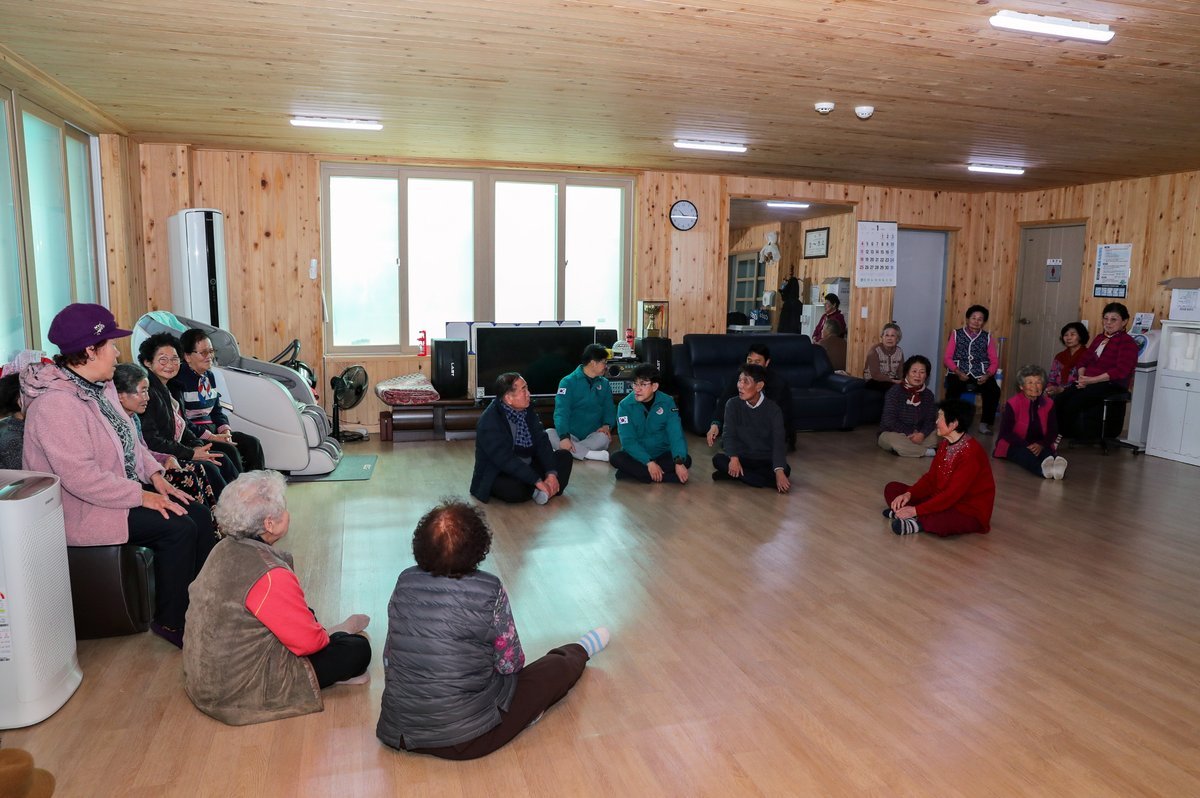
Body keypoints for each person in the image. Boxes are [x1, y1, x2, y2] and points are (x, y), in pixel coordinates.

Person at [21, 303, 216, 647]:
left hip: (116, 494)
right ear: (89, 351)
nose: (116, 352)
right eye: (110, 344)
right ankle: (172, 623)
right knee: (179, 528)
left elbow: (133, 442)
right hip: (85, 510)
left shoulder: (100, 388)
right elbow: (81, 478)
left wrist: (155, 476)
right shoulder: (55, 405)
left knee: (198, 515)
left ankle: (201, 606)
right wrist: (142, 496)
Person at [377, 501, 610, 760]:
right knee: (548, 672)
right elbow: (511, 664)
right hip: (465, 739)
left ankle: (522, 713)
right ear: (479, 549)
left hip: (398, 731)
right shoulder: (490, 590)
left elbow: (390, 657)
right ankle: (580, 650)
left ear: (419, 546)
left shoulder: (404, 581)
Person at [184, 470, 372, 725]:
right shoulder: (269, 573)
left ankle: (333, 633)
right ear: (269, 524)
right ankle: (338, 635)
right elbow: (309, 645)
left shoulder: (222, 548)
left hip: (204, 680)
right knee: (357, 650)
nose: (288, 512)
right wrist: (332, 638)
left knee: (305, 613)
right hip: (238, 691)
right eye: (283, 508)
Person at [882, 399, 995, 536]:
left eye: (940, 417)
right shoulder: (945, 444)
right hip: (940, 498)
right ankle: (910, 515)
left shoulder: (971, 454)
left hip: (966, 509)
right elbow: (931, 479)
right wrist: (909, 494)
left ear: (953, 424)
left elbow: (951, 496)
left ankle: (913, 518)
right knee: (892, 488)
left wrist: (915, 510)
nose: (936, 422)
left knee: (940, 521)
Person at [137, 333, 234, 492]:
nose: (170, 365)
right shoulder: (149, 394)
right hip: (159, 457)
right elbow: (152, 441)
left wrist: (197, 446)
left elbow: (182, 426)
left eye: (175, 359)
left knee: (223, 458)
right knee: (212, 466)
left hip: (178, 448)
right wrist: (191, 453)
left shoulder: (171, 388)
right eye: (163, 360)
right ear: (148, 362)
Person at [114, 363, 218, 507]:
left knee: (200, 469)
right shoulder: (116, 423)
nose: (147, 397)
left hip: (153, 464)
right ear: (120, 395)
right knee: (188, 478)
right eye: (142, 392)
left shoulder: (134, 418)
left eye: (147, 391)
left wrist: (168, 458)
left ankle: (213, 517)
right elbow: (147, 449)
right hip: (135, 481)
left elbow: (144, 451)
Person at [470, 372, 573, 504]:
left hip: (528, 464)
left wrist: (551, 473)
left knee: (564, 457)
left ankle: (543, 489)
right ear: (508, 398)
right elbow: (505, 460)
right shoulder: (489, 421)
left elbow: (542, 442)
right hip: (500, 470)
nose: (528, 394)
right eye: (523, 390)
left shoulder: (527, 410)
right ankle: (541, 489)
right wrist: (537, 480)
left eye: (527, 388)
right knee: (512, 489)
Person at [172, 328, 266, 472]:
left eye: (211, 351)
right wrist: (212, 437)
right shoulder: (178, 380)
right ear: (187, 356)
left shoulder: (209, 376)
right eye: (203, 352)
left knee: (253, 443)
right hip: (194, 436)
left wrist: (225, 432)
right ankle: (240, 485)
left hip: (213, 430)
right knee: (230, 451)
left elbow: (216, 411)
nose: (209, 356)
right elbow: (182, 421)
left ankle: (257, 483)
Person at [1054, 303, 1138, 440]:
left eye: (1113, 319)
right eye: (1105, 318)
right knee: (1060, 399)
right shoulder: (1100, 338)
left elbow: (1121, 371)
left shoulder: (1127, 342)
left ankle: (1061, 437)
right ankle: (1056, 436)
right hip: (1089, 382)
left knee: (1073, 402)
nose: (1108, 323)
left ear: (1124, 321)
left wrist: (1091, 380)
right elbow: (1083, 361)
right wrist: (1082, 378)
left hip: (1112, 384)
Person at [712, 363, 791, 493]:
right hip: (742, 457)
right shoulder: (732, 404)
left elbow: (778, 443)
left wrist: (779, 471)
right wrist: (734, 458)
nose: (740, 385)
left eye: (746, 382)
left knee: (785, 470)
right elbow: (728, 435)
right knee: (718, 460)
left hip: (764, 459)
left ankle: (737, 476)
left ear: (759, 386)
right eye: (739, 380)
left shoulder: (773, 410)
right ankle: (754, 479)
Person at [610, 363, 691, 484]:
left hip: (662, 453)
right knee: (616, 458)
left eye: (643, 384)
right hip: (637, 456)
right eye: (635, 384)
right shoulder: (624, 406)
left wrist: (679, 462)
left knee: (686, 460)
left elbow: (676, 434)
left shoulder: (667, 402)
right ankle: (662, 476)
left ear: (654, 386)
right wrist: (649, 462)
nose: (637, 389)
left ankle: (640, 475)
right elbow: (628, 441)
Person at [706, 343, 794, 450]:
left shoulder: (778, 384)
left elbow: (780, 419)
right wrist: (715, 424)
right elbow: (724, 401)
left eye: (757, 362)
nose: (752, 365)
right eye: (749, 361)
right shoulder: (740, 378)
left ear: (767, 362)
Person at [994, 365, 1066, 479]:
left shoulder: (1049, 403)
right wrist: (1027, 445)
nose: (1035, 386)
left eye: (1038, 382)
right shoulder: (1013, 403)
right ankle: (1042, 471)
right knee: (1025, 455)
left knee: (1047, 454)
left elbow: (1053, 431)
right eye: (1030, 382)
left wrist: (1041, 444)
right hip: (1016, 443)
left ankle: (1056, 470)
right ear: (1021, 386)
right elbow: (1006, 433)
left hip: (1039, 443)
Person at [546, 343, 616, 462]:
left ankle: (566, 451)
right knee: (548, 434)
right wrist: (564, 437)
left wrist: (606, 425)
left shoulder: (604, 384)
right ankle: (590, 454)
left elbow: (609, 408)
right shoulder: (567, 382)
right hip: (570, 434)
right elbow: (561, 412)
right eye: (604, 363)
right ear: (593, 363)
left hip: (593, 435)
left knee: (604, 438)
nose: (606, 367)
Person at [942, 304, 1001, 434]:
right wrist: (958, 372)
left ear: (983, 322)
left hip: (981, 374)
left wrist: (987, 375)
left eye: (980, 319)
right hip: (958, 372)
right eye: (973, 318)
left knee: (994, 391)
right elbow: (947, 358)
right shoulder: (956, 334)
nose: (976, 321)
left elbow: (994, 361)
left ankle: (985, 423)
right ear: (968, 319)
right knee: (952, 391)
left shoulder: (987, 337)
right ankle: (951, 421)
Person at [877, 355, 939, 457]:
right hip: (894, 433)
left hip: (920, 435)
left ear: (926, 375)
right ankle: (930, 452)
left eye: (922, 372)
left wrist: (922, 434)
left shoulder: (928, 395)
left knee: (940, 436)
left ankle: (909, 450)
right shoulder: (894, 392)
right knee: (894, 440)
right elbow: (889, 420)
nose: (918, 375)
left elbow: (930, 420)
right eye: (914, 371)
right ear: (907, 373)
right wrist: (911, 432)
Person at [1046, 321, 1090, 397]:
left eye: (1072, 334)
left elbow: (1086, 381)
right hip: (1057, 392)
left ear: (1081, 336)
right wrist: (1051, 388)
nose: (1068, 338)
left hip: (1078, 393)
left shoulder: (1088, 355)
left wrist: (1062, 390)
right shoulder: (1059, 356)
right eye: (1065, 335)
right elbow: (1052, 378)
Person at [864, 322, 905, 392]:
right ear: (882, 337)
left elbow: (901, 372)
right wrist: (893, 381)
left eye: (892, 336)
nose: (889, 338)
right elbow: (875, 374)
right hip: (873, 380)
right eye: (886, 335)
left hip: (892, 380)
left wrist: (903, 381)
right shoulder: (874, 351)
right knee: (894, 389)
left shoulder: (899, 351)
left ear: (897, 338)